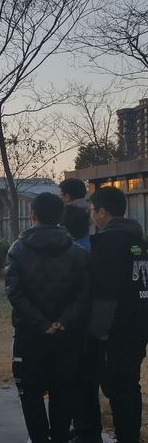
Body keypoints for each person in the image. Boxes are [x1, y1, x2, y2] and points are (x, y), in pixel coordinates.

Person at [5, 192, 90, 443]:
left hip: (29, 335)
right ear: (60, 216)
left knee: (30, 393)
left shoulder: (18, 249)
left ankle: (39, 438)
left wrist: (41, 323)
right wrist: (64, 320)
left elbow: (14, 293)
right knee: (63, 391)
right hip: (67, 336)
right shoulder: (77, 252)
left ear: (33, 215)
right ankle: (60, 437)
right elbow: (85, 293)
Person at [73, 187, 148, 443]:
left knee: (117, 388)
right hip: (138, 327)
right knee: (129, 385)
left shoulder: (109, 244)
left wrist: (95, 334)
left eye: (92, 211)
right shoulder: (138, 241)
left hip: (116, 330)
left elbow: (105, 293)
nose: (91, 216)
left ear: (102, 212)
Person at [59, 178, 91, 251]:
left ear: (67, 197)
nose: (60, 197)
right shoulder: (93, 211)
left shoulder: (66, 215)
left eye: (60, 194)